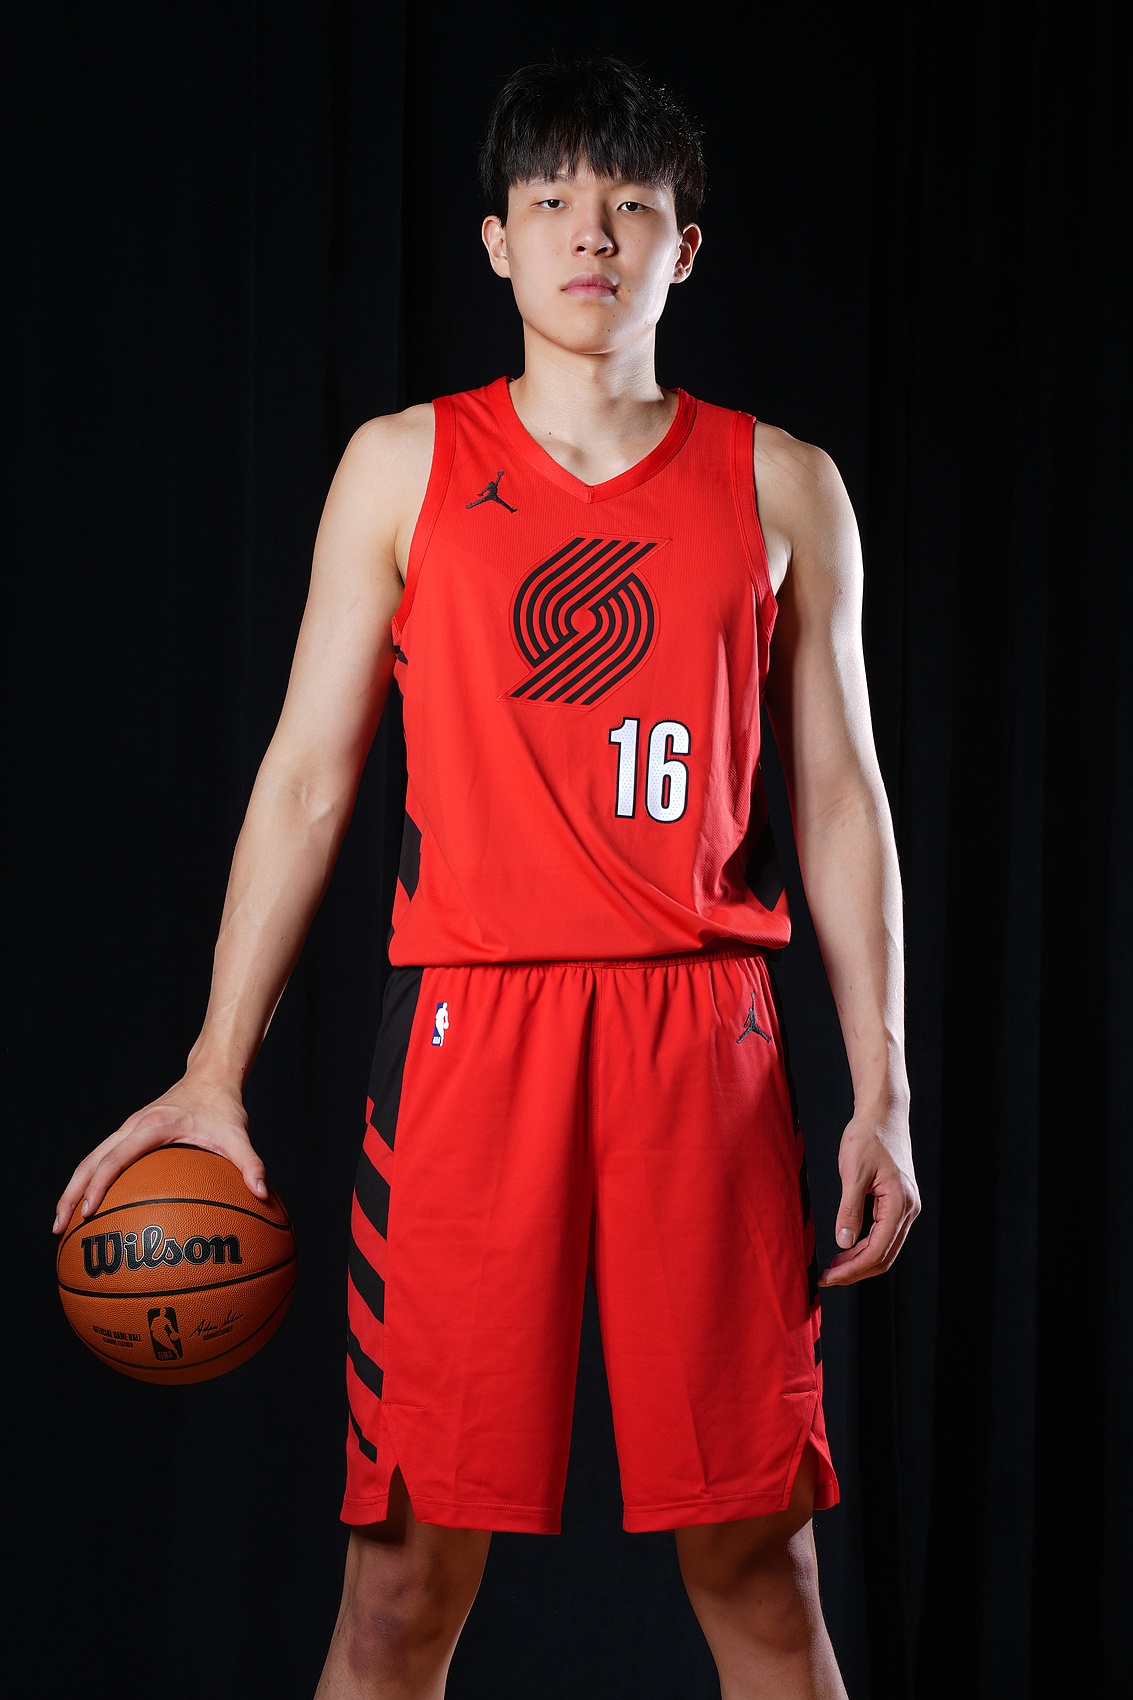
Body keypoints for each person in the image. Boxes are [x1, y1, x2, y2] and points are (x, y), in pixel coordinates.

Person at [54, 54, 920, 1700]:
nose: (591, 232)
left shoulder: (782, 484)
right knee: (397, 1587)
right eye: (553, 200)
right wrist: (214, 1066)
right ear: (496, 241)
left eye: (631, 205)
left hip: (702, 1039)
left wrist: (880, 1087)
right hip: (471, 1036)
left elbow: (839, 800)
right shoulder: (402, 467)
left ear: (683, 249)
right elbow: (307, 778)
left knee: (759, 1566)